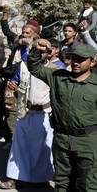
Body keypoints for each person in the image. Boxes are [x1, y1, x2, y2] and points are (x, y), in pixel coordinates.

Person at [28, 41, 97, 191]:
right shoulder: (58, 76)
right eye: (73, 58)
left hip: (88, 142)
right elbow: (34, 68)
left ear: (93, 61)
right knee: (62, 182)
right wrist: (35, 49)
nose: (76, 62)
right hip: (61, 139)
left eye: (81, 59)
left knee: (88, 184)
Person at [0, 41, 61, 190]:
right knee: (18, 147)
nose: (41, 54)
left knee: (42, 149)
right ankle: (14, 178)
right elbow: (13, 81)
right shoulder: (24, 66)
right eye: (37, 51)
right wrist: (14, 88)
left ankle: (40, 180)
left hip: (45, 114)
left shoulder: (55, 70)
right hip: (25, 112)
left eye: (44, 51)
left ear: (50, 52)